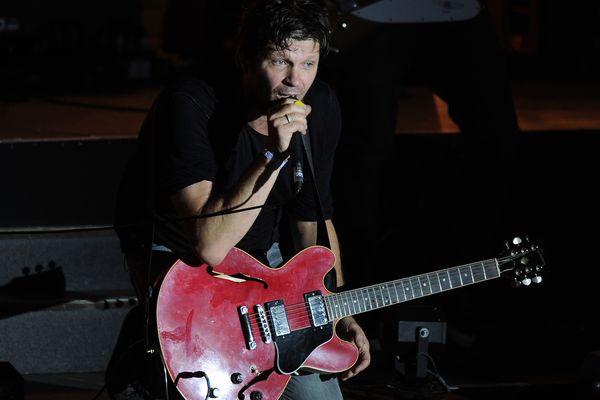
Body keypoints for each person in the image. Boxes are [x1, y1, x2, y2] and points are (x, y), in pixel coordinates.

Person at [106, 0, 370, 399]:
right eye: (280, 62)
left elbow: (311, 224)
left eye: (308, 64)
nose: (294, 81)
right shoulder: (194, 103)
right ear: (246, 59)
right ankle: (149, 328)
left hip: (267, 258)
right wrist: (273, 156)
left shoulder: (323, 107)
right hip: (181, 256)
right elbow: (209, 245)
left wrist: (337, 306)